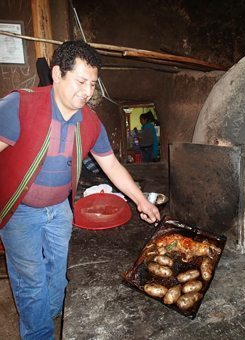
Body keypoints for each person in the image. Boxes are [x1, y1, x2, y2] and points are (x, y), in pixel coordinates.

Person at [0, 40, 160, 340]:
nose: (88, 91)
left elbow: (111, 165)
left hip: (60, 209)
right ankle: (39, 334)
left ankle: (46, 318)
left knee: (58, 275)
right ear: (58, 73)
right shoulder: (19, 106)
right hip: (20, 213)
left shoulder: (90, 121)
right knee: (30, 282)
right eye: (81, 81)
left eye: (93, 84)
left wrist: (142, 201)